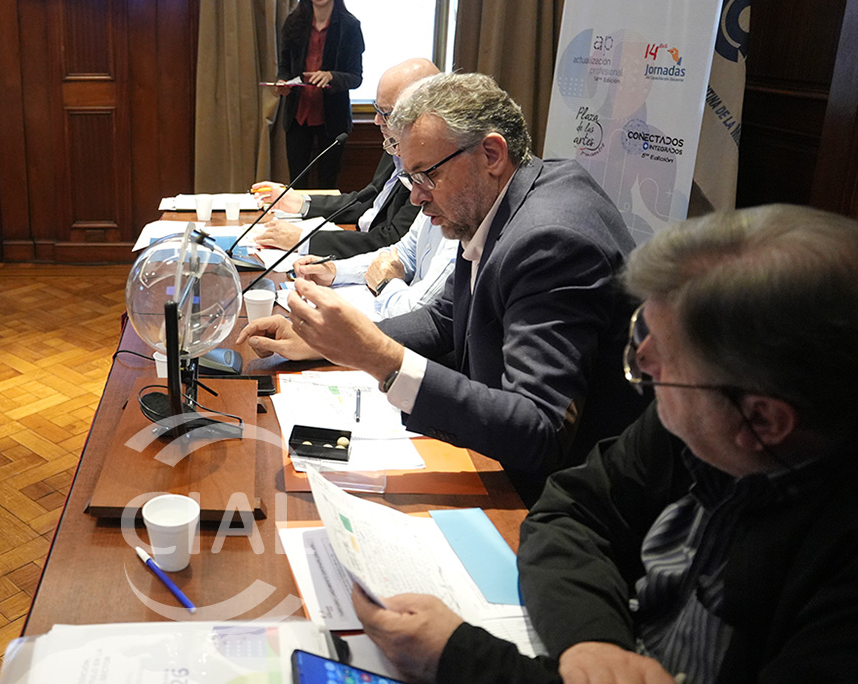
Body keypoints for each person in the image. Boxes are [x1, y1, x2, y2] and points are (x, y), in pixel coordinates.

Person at [354, 204, 858, 683]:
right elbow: (570, 511)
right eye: (644, 329)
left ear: (763, 421)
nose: (642, 362)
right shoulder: (704, 414)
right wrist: (592, 641)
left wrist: (458, 658)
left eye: (666, 356)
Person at [239, 72, 643, 500]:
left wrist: (382, 360)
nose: (416, 197)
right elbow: (445, 318)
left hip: (569, 501)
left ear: (491, 154)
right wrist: (327, 342)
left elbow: (540, 430)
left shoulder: (550, 241)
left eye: (427, 176)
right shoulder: (503, 200)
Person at [253, 58, 434, 258]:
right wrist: (300, 202)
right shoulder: (396, 143)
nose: (376, 121)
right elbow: (368, 201)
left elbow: (392, 241)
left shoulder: (429, 168)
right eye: (377, 110)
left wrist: (302, 239)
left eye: (387, 114)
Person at [273, 0, 363, 189]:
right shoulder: (294, 23)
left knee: (327, 183)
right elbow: (284, 66)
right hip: (298, 115)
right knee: (296, 183)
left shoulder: (350, 26)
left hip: (332, 117)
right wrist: (283, 82)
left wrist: (332, 76)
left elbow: (356, 77)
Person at [294, 212, 458, 320]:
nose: (414, 198)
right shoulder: (431, 198)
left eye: (423, 178)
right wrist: (336, 271)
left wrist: (385, 284)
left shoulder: (460, 229)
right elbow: (404, 253)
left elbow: (414, 314)